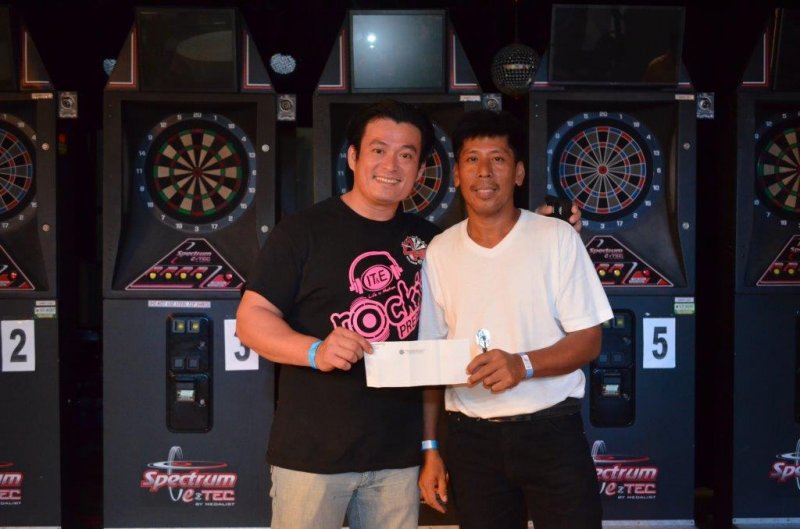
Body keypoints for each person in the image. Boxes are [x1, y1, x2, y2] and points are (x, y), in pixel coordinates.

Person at [417, 109, 612, 529]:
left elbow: (589, 339)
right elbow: (432, 358)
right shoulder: (440, 251)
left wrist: (521, 364)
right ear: (456, 174)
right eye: (472, 159)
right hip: (471, 440)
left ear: (518, 173)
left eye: (498, 159)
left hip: (552, 432)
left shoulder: (556, 237)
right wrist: (430, 447)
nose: (484, 172)